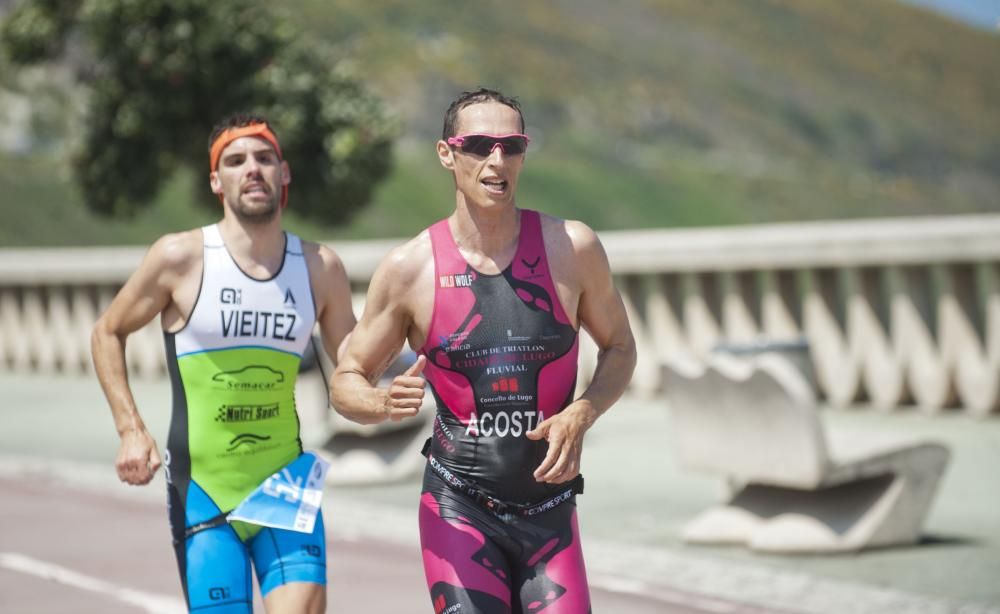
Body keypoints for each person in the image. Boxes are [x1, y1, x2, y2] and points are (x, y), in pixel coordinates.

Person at [331, 88, 637, 613]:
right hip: (459, 509)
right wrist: (382, 404)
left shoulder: (572, 248)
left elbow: (620, 347)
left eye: (511, 145)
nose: (496, 160)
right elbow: (346, 379)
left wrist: (582, 412)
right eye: (478, 144)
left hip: (550, 512)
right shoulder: (410, 269)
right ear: (447, 153)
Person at [91, 113, 355, 613]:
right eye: (235, 161)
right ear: (217, 180)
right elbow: (108, 331)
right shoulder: (180, 257)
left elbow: (353, 371)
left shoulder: (321, 267)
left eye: (264, 158)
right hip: (203, 492)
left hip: (285, 483)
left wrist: (390, 396)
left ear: (285, 173)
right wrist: (131, 429)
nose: (251, 169)